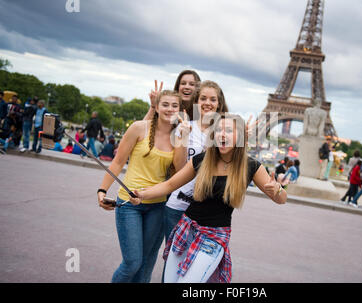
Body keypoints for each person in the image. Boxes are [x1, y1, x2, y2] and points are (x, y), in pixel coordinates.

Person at [130, 113, 287, 283]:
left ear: (240, 136)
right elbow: (170, 185)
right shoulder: (203, 160)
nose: (222, 134)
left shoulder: (250, 166)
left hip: (214, 237)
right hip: (186, 228)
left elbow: (281, 199)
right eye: (218, 130)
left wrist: (277, 190)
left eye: (228, 130)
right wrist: (142, 194)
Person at [97, 90, 184, 283]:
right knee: (132, 263)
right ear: (157, 107)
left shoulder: (178, 136)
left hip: (158, 205)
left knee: (146, 263)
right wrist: (102, 190)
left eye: (174, 106)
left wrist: (183, 139)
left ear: (180, 110)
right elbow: (118, 162)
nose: (170, 109)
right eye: (165, 104)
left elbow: (179, 171)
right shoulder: (139, 128)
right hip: (129, 202)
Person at [163, 81, 229, 243]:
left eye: (213, 99)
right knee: (172, 261)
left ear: (219, 104)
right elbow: (179, 169)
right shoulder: (184, 127)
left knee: (193, 265)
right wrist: (183, 138)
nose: (208, 103)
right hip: (178, 205)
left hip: (207, 209)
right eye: (203, 98)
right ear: (196, 102)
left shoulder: (224, 133)